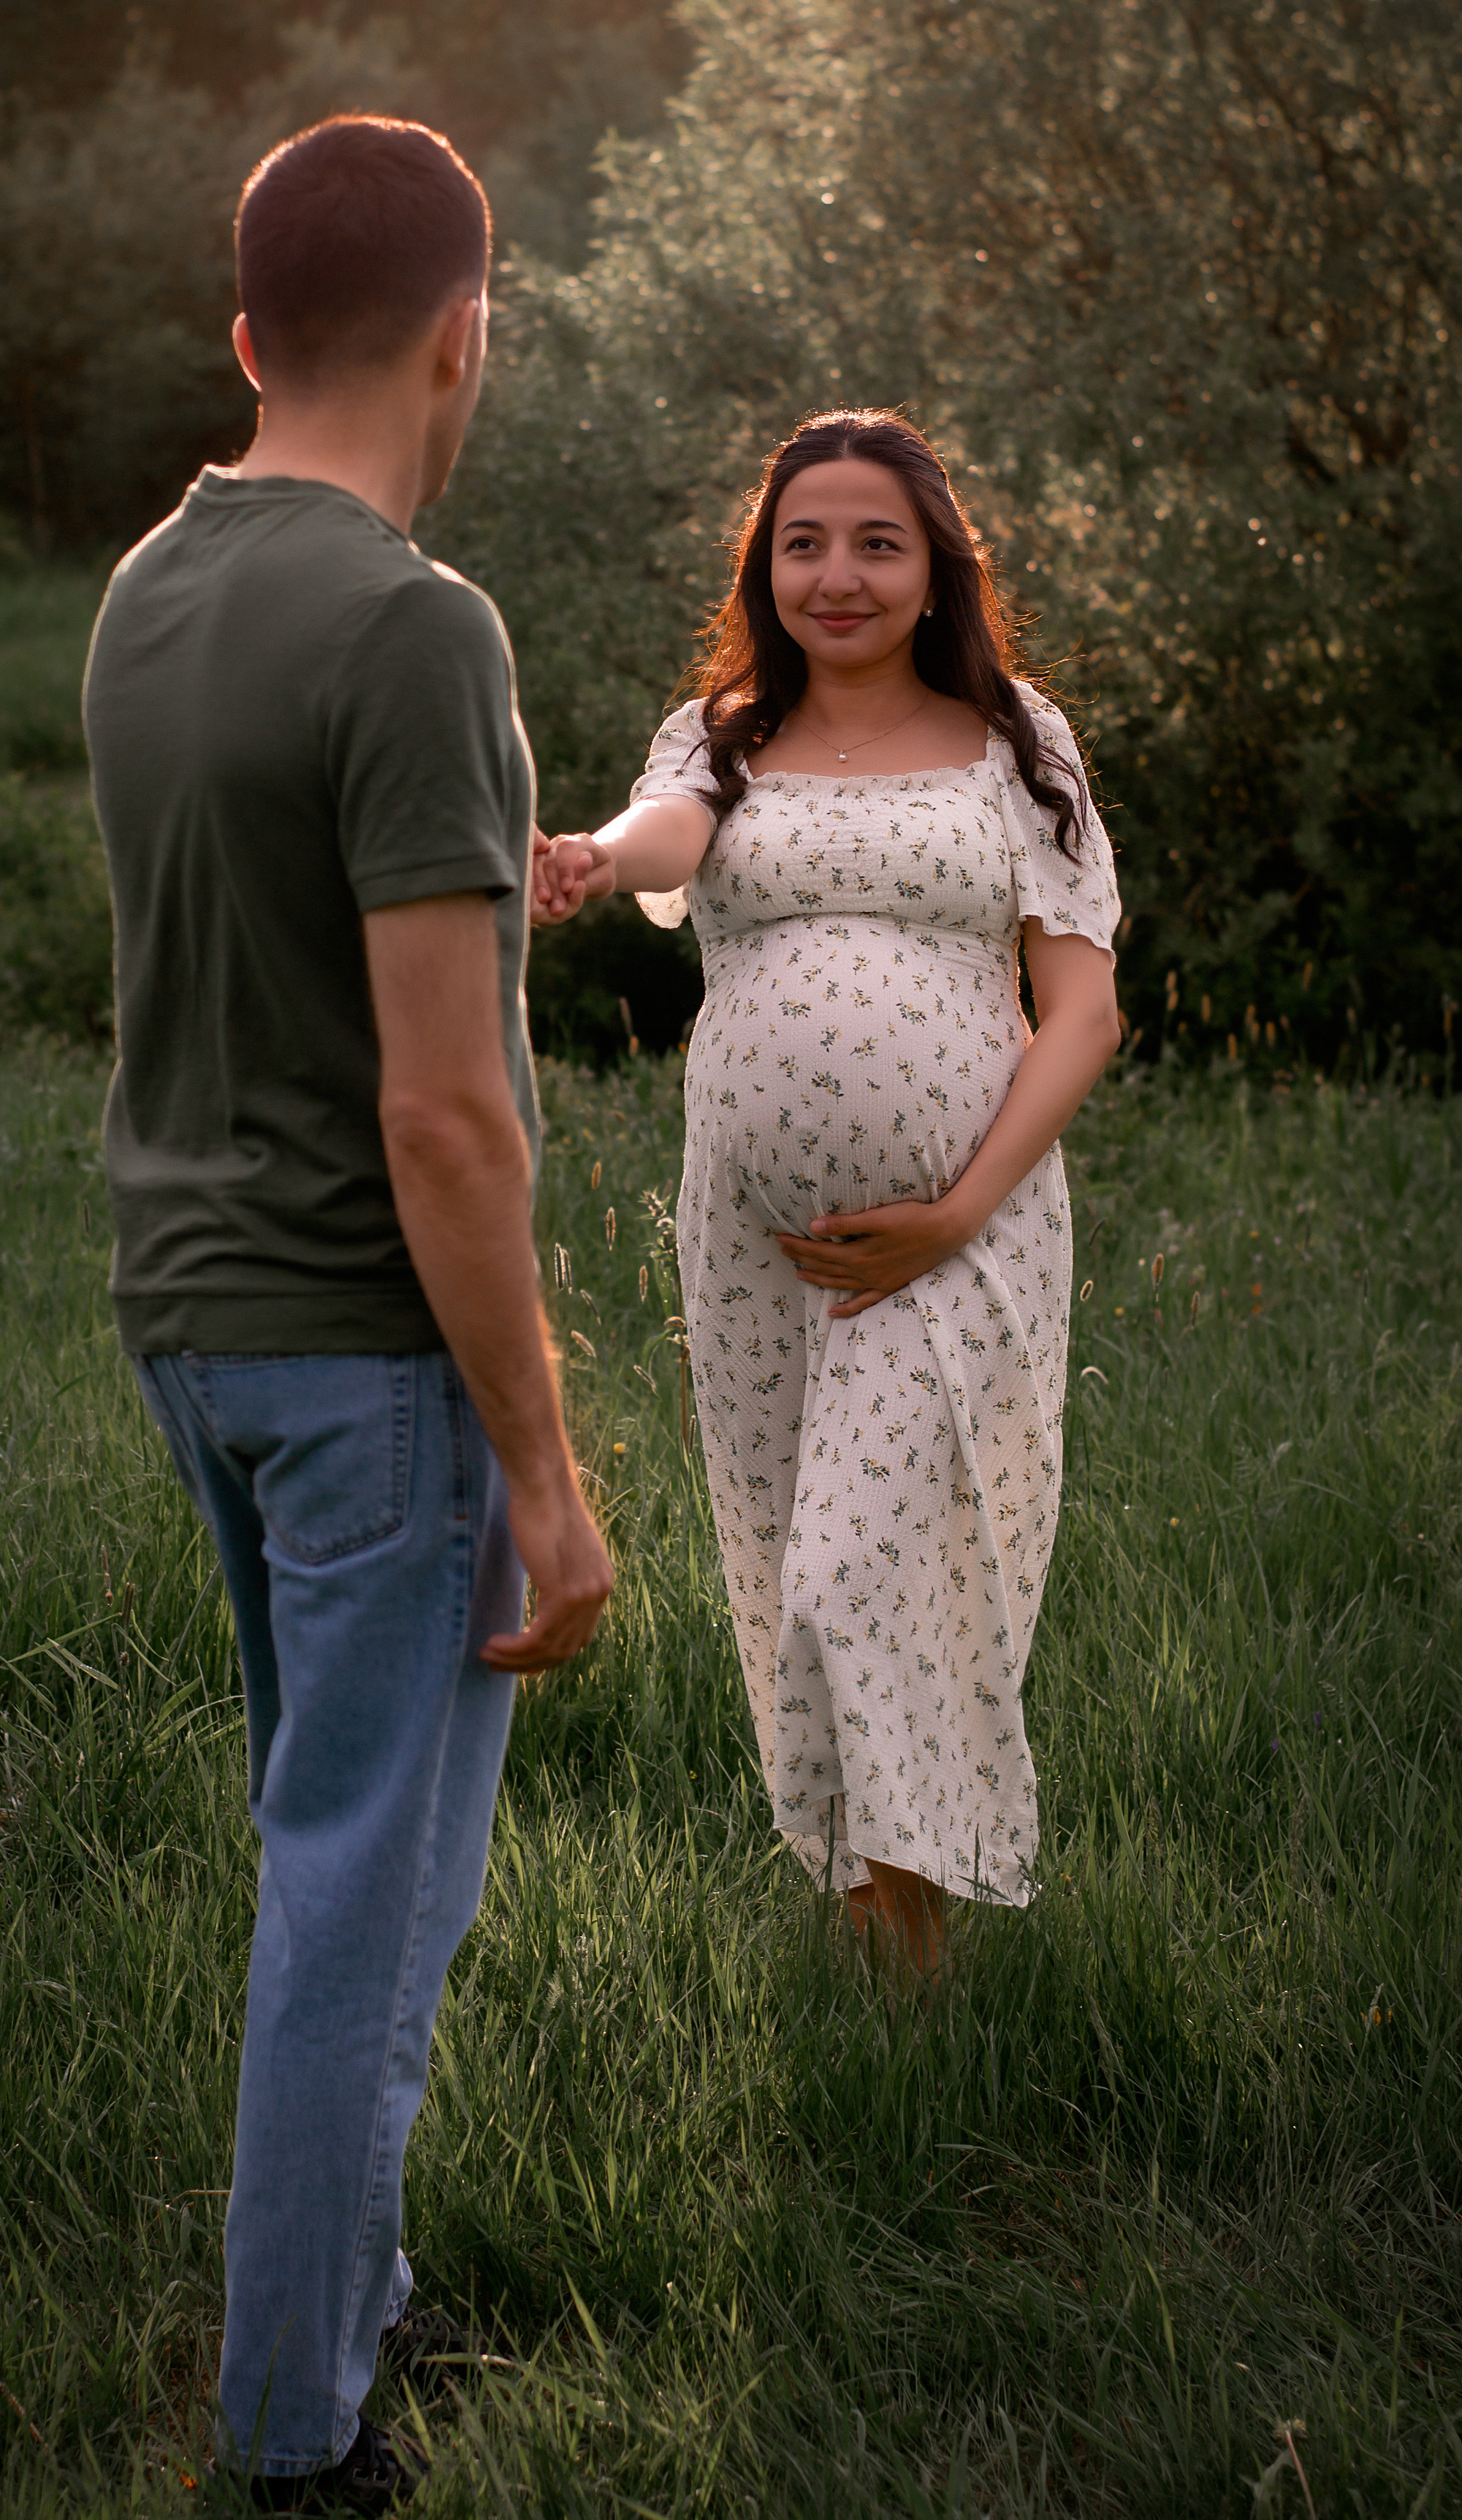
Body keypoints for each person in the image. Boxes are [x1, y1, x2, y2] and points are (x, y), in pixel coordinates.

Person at [84, 115, 613, 2513]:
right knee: (363, 1905)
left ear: (242, 336)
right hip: (366, 1353)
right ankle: (301, 2440)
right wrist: (549, 1469)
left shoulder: (151, 587)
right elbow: (449, 1124)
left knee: (331, 1850)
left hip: (192, 1320)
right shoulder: (420, 624)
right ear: (461, 334)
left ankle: (347, 2301)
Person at [533, 410, 1119, 1982]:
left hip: (959, 1239)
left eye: (874, 541)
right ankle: (883, 1962)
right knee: (799, 1575)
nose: (836, 573)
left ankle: (910, 1981)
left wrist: (958, 1206)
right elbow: (669, 835)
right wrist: (591, 854)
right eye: (803, 543)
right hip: (753, 1250)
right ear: (763, 566)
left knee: (865, 1572)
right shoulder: (716, 735)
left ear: (933, 569)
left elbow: (1080, 1012)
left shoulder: (1017, 743)